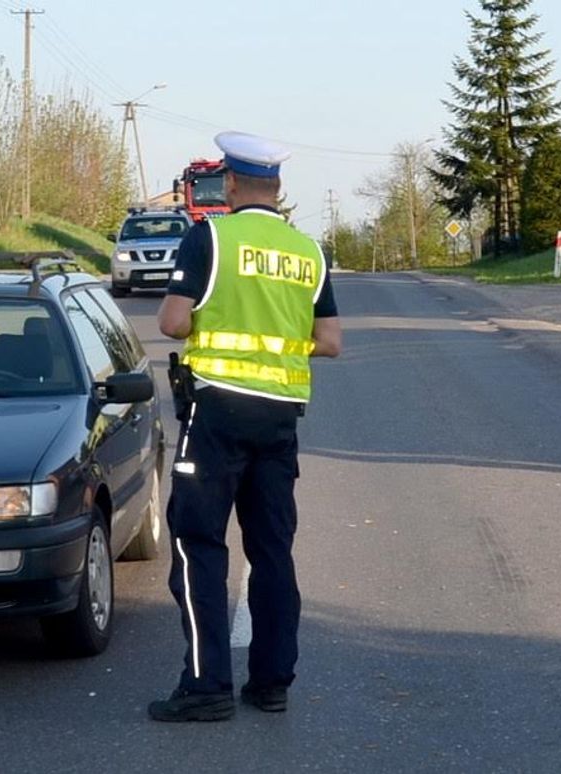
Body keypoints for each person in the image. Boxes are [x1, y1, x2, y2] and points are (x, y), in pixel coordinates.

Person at [148, 132, 342, 723]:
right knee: (272, 550)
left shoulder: (210, 237)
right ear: (279, 189)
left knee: (198, 545)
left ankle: (206, 689)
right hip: (279, 418)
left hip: (216, 414)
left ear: (229, 185)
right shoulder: (307, 251)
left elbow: (173, 323)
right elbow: (330, 342)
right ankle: (271, 683)